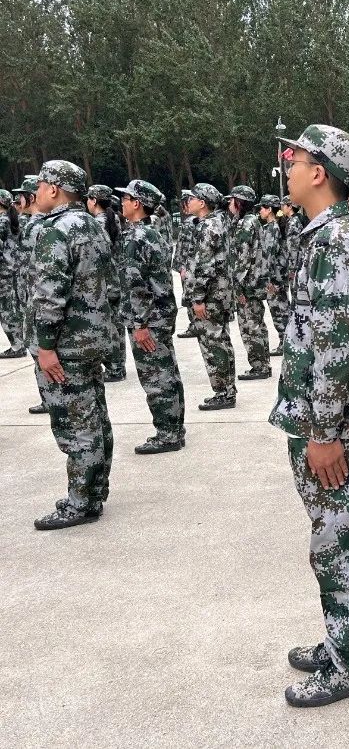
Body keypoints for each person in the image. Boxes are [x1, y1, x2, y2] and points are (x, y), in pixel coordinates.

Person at [270, 124, 349, 708]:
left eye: (294, 160)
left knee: (342, 542)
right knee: (339, 537)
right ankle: (344, 638)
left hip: (335, 427)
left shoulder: (335, 242)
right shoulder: (332, 234)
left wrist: (322, 432)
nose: (286, 167)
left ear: (319, 173)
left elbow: (336, 347)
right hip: (337, 419)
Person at [30, 161, 115, 530]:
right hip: (92, 339)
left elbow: (50, 296)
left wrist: (45, 346)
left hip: (65, 344)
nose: (36, 192)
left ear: (53, 189)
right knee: (95, 418)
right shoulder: (93, 225)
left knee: (76, 424)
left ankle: (81, 503)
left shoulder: (56, 230)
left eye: (40, 185)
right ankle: (94, 492)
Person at [116, 179, 186, 454]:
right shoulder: (153, 233)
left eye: (126, 199)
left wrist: (139, 323)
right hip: (161, 314)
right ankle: (175, 429)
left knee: (156, 378)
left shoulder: (136, 237)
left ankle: (167, 434)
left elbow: (138, 286)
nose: (121, 203)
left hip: (149, 319)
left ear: (137, 204)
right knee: (168, 373)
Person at [185, 183, 237, 410]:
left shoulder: (208, 226)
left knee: (213, 344)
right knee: (222, 341)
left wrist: (198, 299)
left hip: (210, 296)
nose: (188, 202)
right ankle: (228, 390)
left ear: (202, 203)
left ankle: (223, 392)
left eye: (192, 198)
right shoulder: (218, 222)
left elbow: (205, 266)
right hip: (220, 294)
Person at [226, 185, 272, 380]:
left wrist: (238, 287)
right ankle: (263, 364)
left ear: (239, 202)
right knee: (257, 325)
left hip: (248, 284)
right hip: (254, 282)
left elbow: (242, 259)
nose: (229, 204)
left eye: (232, 200)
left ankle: (260, 366)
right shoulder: (252, 221)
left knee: (250, 327)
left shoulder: (245, 224)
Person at [13, 176, 49, 413]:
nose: (18, 201)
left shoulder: (35, 226)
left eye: (21, 197)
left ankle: (50, 399)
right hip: (37, 297)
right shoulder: (44, 223)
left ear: (31, 198)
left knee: (39, 351)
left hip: (36, 300)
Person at [87, 184, 127, 381]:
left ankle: (114, 368)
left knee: (108, 326)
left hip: (105, 281)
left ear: (94, 200)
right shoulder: (114, 218)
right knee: (116, 324)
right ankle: (119, 365)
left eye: (88, 198)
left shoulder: (97, 223)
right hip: (116, 278)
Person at [258, 194, 289, 355]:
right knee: (282, 308)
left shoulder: (272, 228)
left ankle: (285, 343)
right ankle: (286, 341)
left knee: (279, 311)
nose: (260, 211)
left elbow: (269, 255)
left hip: (275, 277)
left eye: (262, 208)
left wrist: (268, 278)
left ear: (269, 209)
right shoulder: (275, 226)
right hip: (279, 275)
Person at [0, 188, 25, 358]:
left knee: (6, 311)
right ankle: (19, 344)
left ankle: (17, 346)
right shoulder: (13, 219)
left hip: (3, 272)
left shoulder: (2, 221)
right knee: (12, 309)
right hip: (14, 270)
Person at [174, 190, 199, 338]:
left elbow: (189, 247)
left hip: (187, 267)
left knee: (189, 295)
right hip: (186, 265)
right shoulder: (191, 221)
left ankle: (194, 325)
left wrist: (184, 267)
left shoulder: (191, 222)